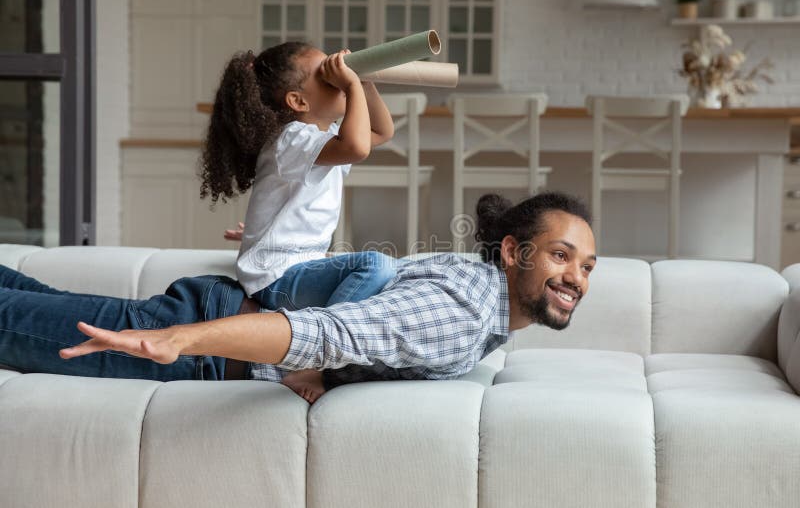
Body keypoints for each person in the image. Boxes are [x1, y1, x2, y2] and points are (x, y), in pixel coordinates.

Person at [0, 192, 596, 400]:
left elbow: (367, 298)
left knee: (29, 302)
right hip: (208, 346)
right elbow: (332, 332)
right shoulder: (464, 315)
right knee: (13, 322)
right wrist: (178, 340)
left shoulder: (477, 287)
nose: (576, 278)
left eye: (588, 267)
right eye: (561, 256)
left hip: (216, 322)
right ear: (516, 252)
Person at [199, 42, 396, 400]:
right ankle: (317, 360)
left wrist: (364, 81)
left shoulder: (318, 139)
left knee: (387, 281)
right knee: (375, 266)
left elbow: (381, 133)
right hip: (276, 278)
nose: (339, 77)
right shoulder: (291, 139)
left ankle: (322, 341)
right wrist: (352, 86)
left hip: (292, 269)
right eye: (327, 74)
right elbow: (359, 146)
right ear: (298, 101)